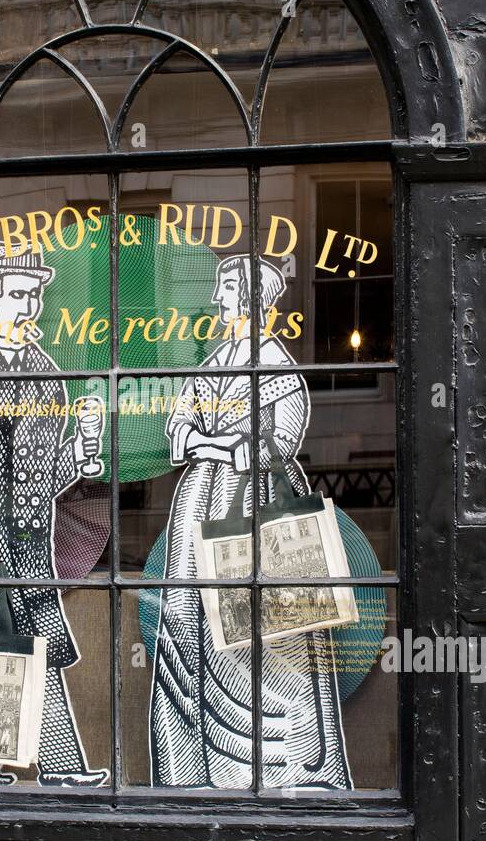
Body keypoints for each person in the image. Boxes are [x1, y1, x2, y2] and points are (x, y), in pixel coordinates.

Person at [149, 254, 352, 790]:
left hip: (258, 511)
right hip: (197, 507)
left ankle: (283, 770)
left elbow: (273, 446)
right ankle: (190, 770)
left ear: (255, 298)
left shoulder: (279, 369)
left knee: (268, 637)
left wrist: (209, 443)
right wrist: (221, 443)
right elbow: (177, 435)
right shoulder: (211, 363)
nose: (218, 301)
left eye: (227, 290)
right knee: (189, 630)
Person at [0, 241, 108, 787]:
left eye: (35, 295)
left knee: (39, 652)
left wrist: (81, 450)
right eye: (20, 295)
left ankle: (58, 768)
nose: (30, 307)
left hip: (29, 543)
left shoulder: (45, 372)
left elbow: (46, 473)